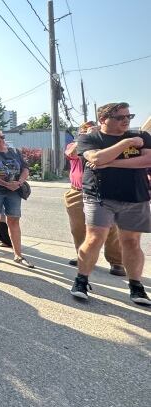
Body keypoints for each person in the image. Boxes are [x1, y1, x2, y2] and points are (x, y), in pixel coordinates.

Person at [71, 102, 151, 306]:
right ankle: (81, 280)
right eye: (120, 117)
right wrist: (126, 144)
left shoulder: (142, 136)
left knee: (131, 242)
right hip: (100, 196)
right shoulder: (89, 137)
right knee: (95, 238)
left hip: (135, 196)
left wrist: (111, 163)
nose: (126, 120)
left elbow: (147, 161)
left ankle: (136, 286)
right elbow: (96, 158)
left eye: (129, 116)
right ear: (103, 120)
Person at [64, 122, 124, 276]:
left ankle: (116, 262)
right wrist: (85, 138)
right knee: (78, 228)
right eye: (84, 131)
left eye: (92, 130)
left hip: (104, 191)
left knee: (111, 228)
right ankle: (83, 257)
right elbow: (71, 153)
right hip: (77, 191)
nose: (89, 133)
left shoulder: (105, 145)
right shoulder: (74, 144)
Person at [0, 129, 34, 268]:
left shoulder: (15, 152)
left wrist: (19, 182)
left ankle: (18, 255)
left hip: (14, 190)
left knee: (14, 220)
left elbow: (25, 169)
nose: (0, 140)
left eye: (1, 137)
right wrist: (5, 184)